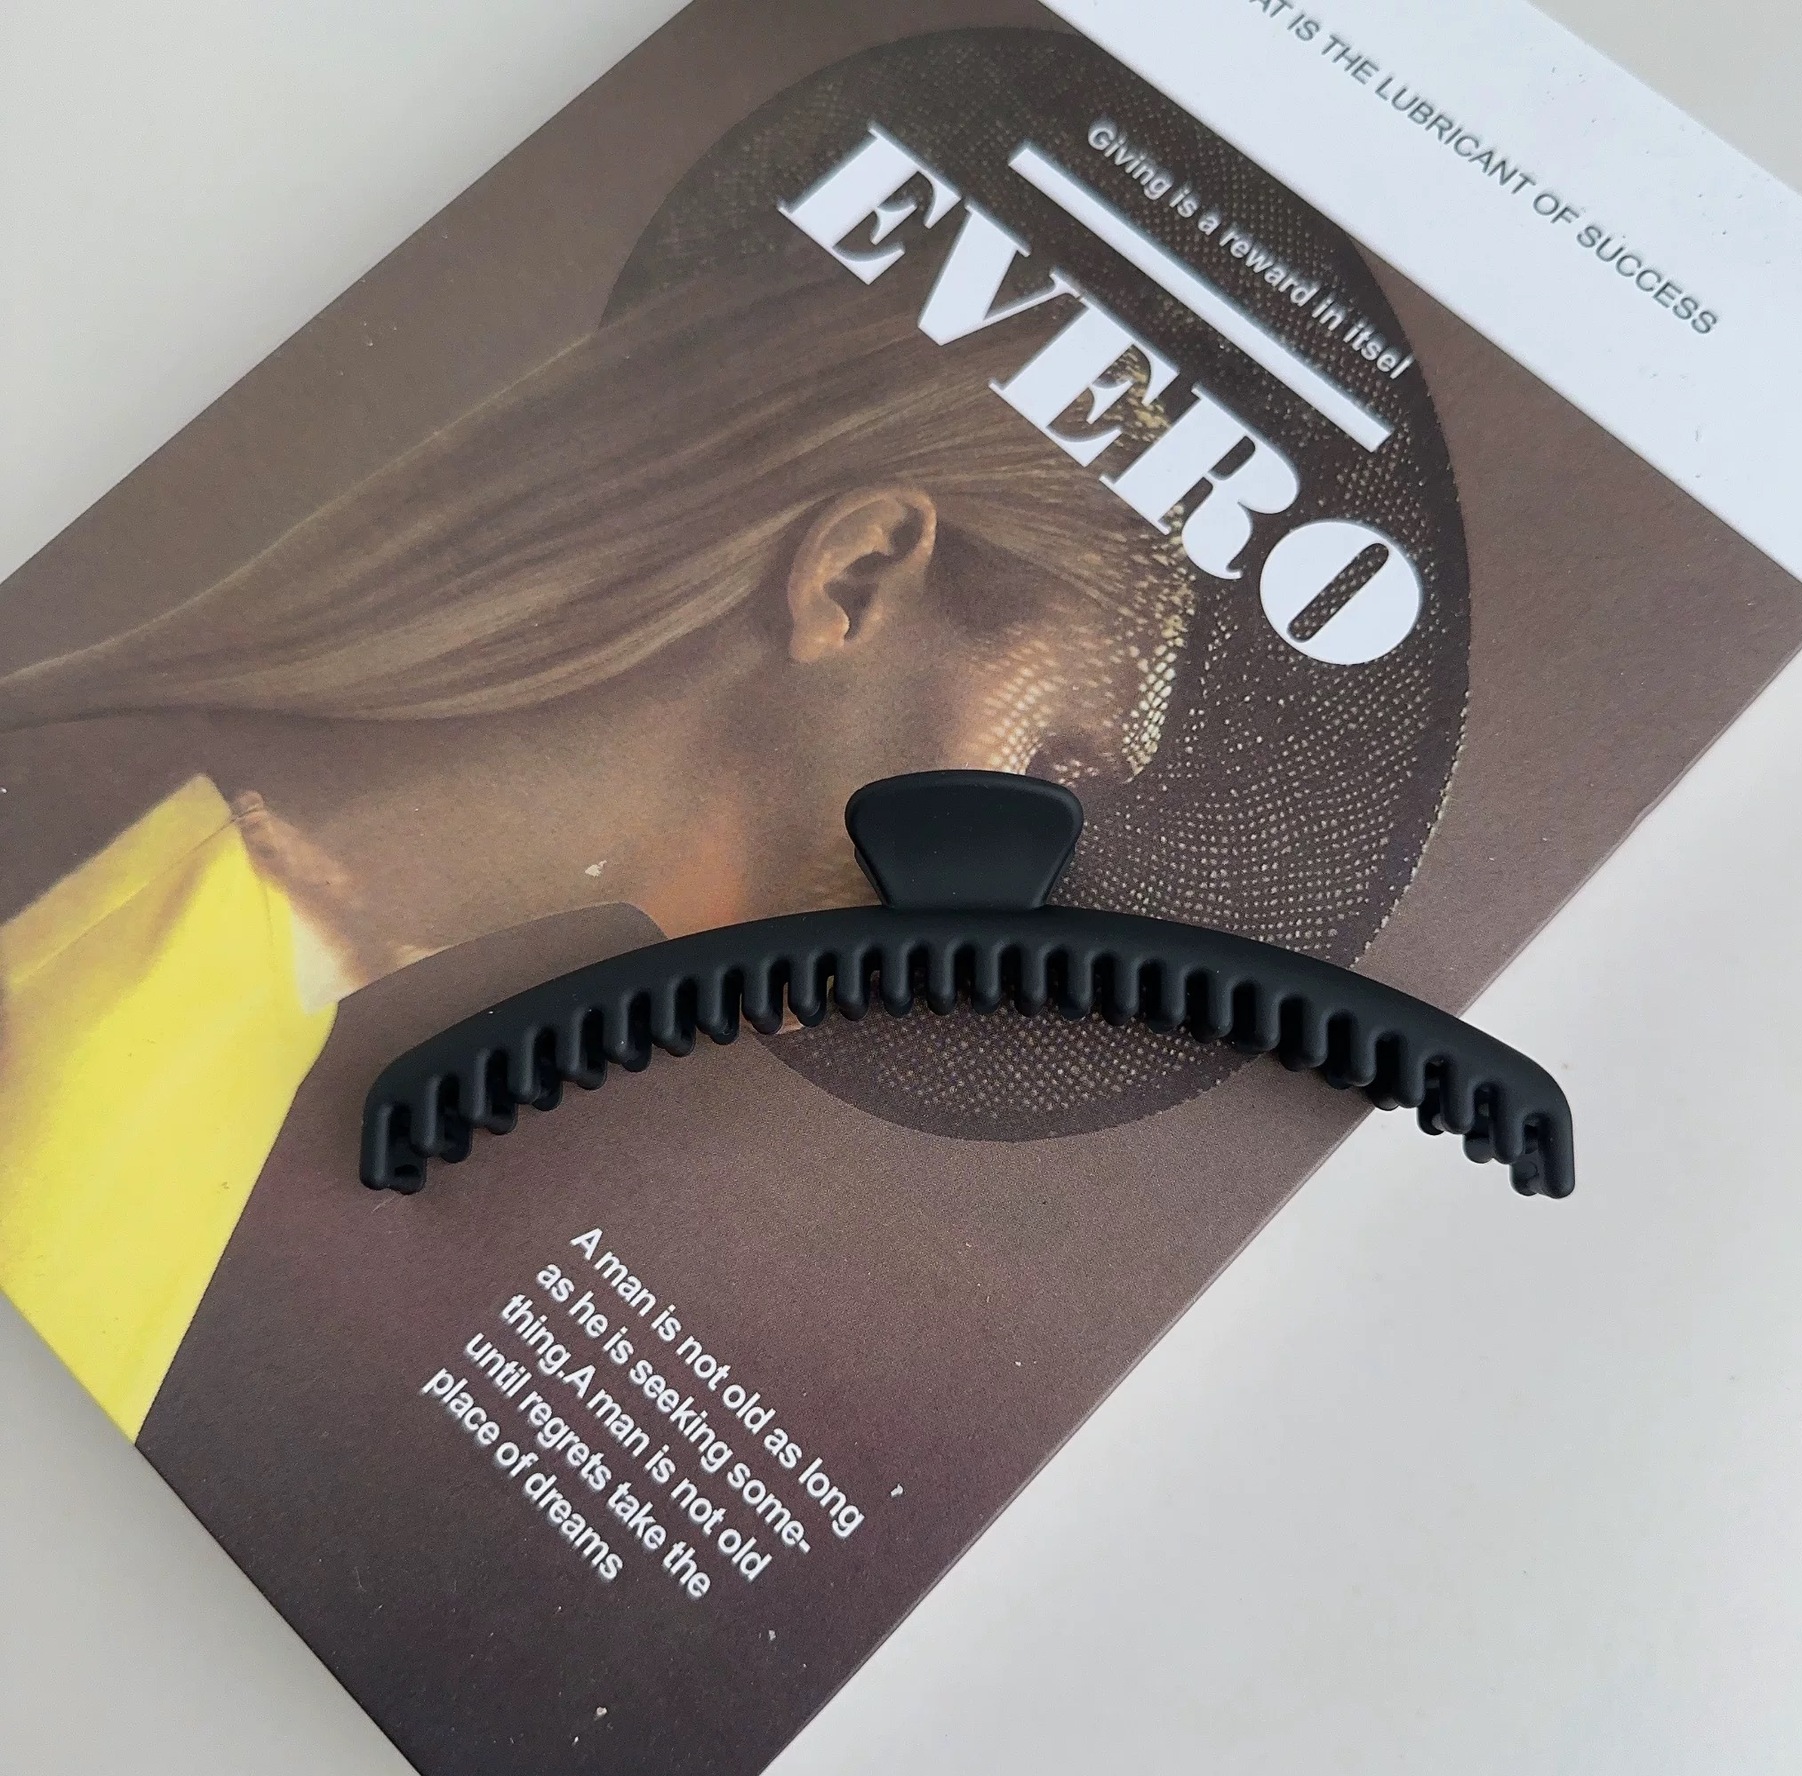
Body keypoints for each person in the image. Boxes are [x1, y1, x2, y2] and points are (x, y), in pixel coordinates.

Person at [0, 214, 1190, 1438]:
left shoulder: (254, 975)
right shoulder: (95, 951)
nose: (1030, 887)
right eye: (1052, 763)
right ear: (855, 577)